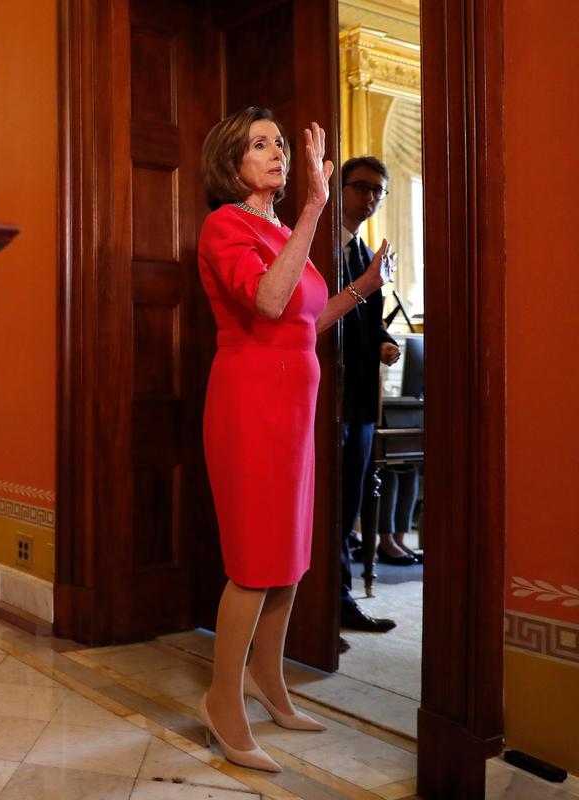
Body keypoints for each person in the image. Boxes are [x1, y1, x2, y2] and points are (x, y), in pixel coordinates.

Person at [196, 107, 393, 772]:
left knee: (288, 560)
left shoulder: (278, 229)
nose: (276, 151)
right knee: (254, 564)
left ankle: (269, 683)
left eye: (280, 142)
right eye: (260, 144)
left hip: (292, 415)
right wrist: (315, 207)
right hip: (249, 408)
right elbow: (270, 303)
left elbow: (306, 320)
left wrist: (361, 290)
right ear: (232, 162)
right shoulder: (225, 225)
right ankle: (223, 699)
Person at [338, 156, 405, 648]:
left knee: (348, 502)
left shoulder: (366, 253)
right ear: (340, 189)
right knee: (325, 502)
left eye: (378, 191)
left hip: (360, 396)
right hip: (324, 395)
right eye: (361, 186)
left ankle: (339, 600)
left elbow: (367, 321)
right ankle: (325, 602)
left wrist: (383, 340)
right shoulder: (321, 247)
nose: (369, 197)